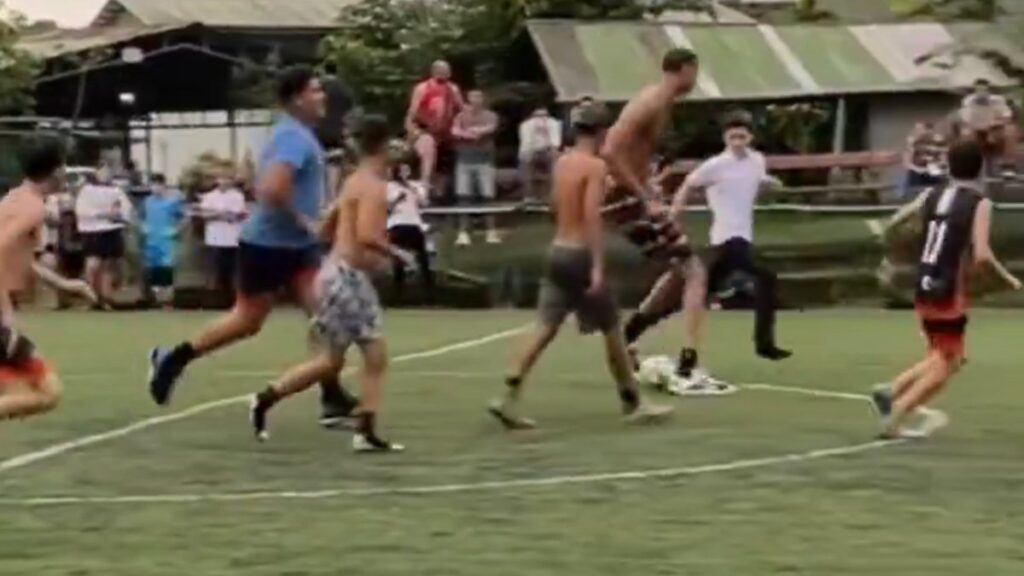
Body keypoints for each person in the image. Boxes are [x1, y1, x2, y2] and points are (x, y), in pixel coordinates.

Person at [147, 66, 358, 427]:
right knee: (248, 321)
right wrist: (307, 220)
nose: (322, 97)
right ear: (296, 98)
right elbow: (273, 189)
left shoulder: (296, 135)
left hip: (296, 248)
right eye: (316, 90)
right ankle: (172, 359)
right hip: (271, 247)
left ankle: (332, 396)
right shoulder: (292, 137)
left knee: (326, 320)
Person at [489, 103, 672, 430]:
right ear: (602, 131)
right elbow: (591, 218)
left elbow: (557, 206)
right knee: (613, 330)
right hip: (580, 255)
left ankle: (507, 393)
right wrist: (598, 267)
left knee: (544, 327)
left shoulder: (563, 162)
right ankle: (633, 401)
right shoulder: (594, 167)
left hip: (558, 249)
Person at [250, 115, 404, 453]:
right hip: (349, 277)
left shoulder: (352, 181)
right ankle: (366, 430)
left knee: (331, 360)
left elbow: (323, 229)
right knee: (375, 355)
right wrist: (396, 253)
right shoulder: (375, 186)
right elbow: (366, 235)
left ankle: (265, 398)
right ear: (384, 146)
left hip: (332, 273)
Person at [872, 139, 1021, 439]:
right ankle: (896, 416)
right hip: (947, 287)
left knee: (944, 353)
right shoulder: (979, 202)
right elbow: (981, 254)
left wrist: (894, 249)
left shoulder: (930, 194)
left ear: (949, 166)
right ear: (980, 169)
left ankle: (891, 390)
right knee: (948, 363)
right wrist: (1009, 279)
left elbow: (896, 222)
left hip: (923, 280)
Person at [599, 49, 704, 382]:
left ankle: (630, 337)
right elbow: (610, 151)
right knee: (694, 271)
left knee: (682, 270)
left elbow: (635, 155)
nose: (696, 80)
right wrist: (644, 196)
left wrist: (652, 183)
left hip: (633, 196)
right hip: (624, 200)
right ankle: (687, 360)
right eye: (695, 72)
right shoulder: (651, 101)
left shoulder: (663, 103)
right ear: (685, 70)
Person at [671, 110, 791, 366]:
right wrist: (674, 216)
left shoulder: (757, 160)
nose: (738, 139)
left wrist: (771, 183)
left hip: (743, 237)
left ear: (750, 137)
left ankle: (675, 340)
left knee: (701, 291)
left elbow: (757, 180)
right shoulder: (716, 165)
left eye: (742, 134)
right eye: (733, 134)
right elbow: (688, 185)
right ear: (726, 137)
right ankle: (764, 345)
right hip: (726, 238)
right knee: (765, 277)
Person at [0, 138, 96, 421]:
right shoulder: (34, 208)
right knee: (47, 393)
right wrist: (5, 311)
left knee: (15, 390)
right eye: (64, 168)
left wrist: (66, 284)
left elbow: (19, 258)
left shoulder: (15, 199)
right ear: (55, 172)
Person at [75, 164, 132, 309]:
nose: (105, 174)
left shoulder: (116, 190)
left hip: (111, 230)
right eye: (102, 171)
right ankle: (91, 298)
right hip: (93, 231)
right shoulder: (87, 190)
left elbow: (126, 209)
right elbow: (82, 210)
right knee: (92, 265)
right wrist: (102, 214)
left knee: (109, 266)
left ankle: (106, 299)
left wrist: (118, 216)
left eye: (107, 171)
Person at [405, 60, 464, 197]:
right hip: (425, 128)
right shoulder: (422, 88)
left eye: (447, 71)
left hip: (445, 130)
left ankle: (439, 193)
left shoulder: (453, 89)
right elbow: (412, 112)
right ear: (434, 71)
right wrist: (412, 130)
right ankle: (424, 183)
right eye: (442, 70)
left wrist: (458, 124)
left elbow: (461, 110)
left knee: (444, 162)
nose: (445, 73)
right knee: (428, 148)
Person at [451, 89, 501, 246]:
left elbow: (490, 127)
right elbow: (454, 130)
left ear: (483, 99)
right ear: (468, 99)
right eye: (473, 97)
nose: (476, 100)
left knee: (488, 197)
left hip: (484, 161)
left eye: (479, 97)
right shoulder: (461, 116)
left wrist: (473, 131)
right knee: (464, 197)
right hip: (464, 161)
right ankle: (463, 232)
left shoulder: (490, 115)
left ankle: (491, 232)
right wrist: (466, 133)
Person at [387, 158, 434, 302]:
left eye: (407, 170)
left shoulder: (415, 185)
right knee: (398, 261)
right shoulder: (390, 186)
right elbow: (387, 206)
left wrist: (414, 189)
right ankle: (397, 294)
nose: (405, 173)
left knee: (423, 259)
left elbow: (424, 203)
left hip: (414, 224)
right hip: (397, 224)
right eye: (402, 170)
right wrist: (397, 198)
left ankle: (428, 293)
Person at [198, 172, 247, 302]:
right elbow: (205, 214)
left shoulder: (237, 196)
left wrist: (219, 214)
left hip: (232, 238)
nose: (224, 181)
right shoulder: (209, 196)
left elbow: (238, 215)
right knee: (217, 269)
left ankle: (232, 299)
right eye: (222, 178)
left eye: (227, 178)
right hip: (215, 238)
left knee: (232, 269)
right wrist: (223, 214)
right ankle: (218, 298)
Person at [140, 175, 186, 308]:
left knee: (166, 269)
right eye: (152, 185)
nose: (155, 188)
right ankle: (156, 300)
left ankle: (168, 300)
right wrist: (144, 228)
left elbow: (184, 217)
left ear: (163, 186)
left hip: (166, 240)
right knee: (154, 270)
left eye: (157, 185)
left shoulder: (173, 202)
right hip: (151, 240)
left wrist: (176, 230)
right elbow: (139, 217)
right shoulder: (147, 202)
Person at [518, 106, 563, 202]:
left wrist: (554, 154)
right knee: (525, 159)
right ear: (532, 116)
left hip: (547, 150)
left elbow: (555, 143)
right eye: (538, 115)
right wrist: (529, 155)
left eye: (544, 115)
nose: (541, 118)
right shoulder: (526, 125)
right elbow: (526, 144)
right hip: (530, 150)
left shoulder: (554, 123)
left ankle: (553, 195)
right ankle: (528, 196)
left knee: (557, 159)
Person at [901, 122, 947, 200]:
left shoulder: (938, 144)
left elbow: (943, 160)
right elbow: (906, 163)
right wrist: (918, 169)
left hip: (934, 175)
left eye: (921, 130)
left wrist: (938, 167)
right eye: (917, 130)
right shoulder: (913, 145)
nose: (918, 132)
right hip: (918, 175)